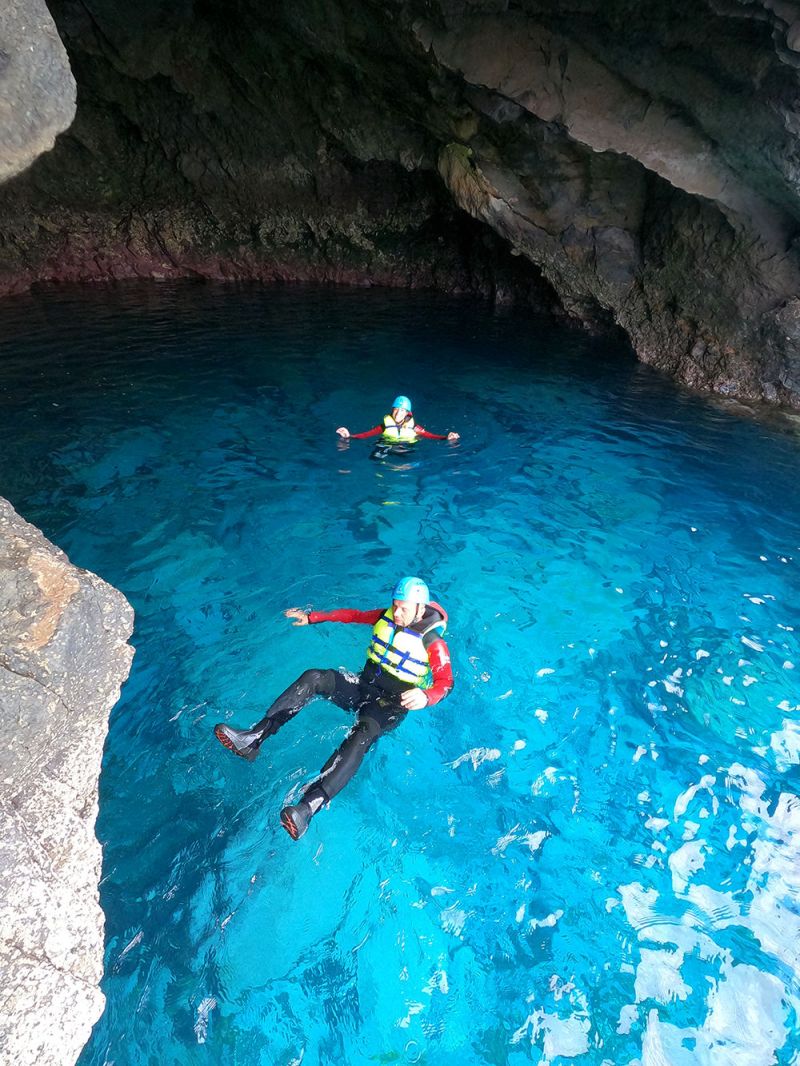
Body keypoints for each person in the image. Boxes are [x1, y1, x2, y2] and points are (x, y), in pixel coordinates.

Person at [213, 576, 454, 840]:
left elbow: (446, 683)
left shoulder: (433, 641)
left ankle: (306, 809)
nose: (397, 612)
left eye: (404, 608)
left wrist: (426, 696)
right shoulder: (387, 617)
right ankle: (253, 738)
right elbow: (353, 615)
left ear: (420, 608)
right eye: (395, 605)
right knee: (314, 677)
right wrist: (312, 617)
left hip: (390, 705)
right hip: (363, 686)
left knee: (362, 735)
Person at [336, 395, 460, 447]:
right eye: (396, 409)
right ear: (392, 410)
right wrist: (349, 436)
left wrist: (446, 437)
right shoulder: (385, 426)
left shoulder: (414, 427)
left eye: (402, 410)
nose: (398, 413)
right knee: (375, 458)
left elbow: (431, 436)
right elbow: (365, 435)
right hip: (387, 444)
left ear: (407, 413)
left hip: (405, 447)